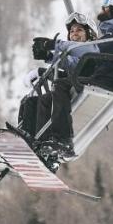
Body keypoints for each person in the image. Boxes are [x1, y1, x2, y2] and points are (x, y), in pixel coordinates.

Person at [29, 0, 113, 163]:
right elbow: (83, 59)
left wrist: (55, 44)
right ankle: (42, 144)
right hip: (106, 77)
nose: (103, 7)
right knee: (44, 96)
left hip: (111, 79)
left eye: (107, 3)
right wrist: (49, 56)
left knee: (61, 85)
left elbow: (92, 50)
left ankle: (62, 140)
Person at [14, 12, 98, 141]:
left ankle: (46, 140)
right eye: (71, 31)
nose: (74, 33)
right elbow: (69, 63)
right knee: (31, 101)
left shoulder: (92, 48)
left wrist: (54, 45)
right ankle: (26, 137)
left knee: (48, 98)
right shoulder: (76, 55)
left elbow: (78, 55)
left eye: (79, 30)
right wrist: (47, 57)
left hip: (86, 84)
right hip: (72, 84)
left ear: (90, 34)